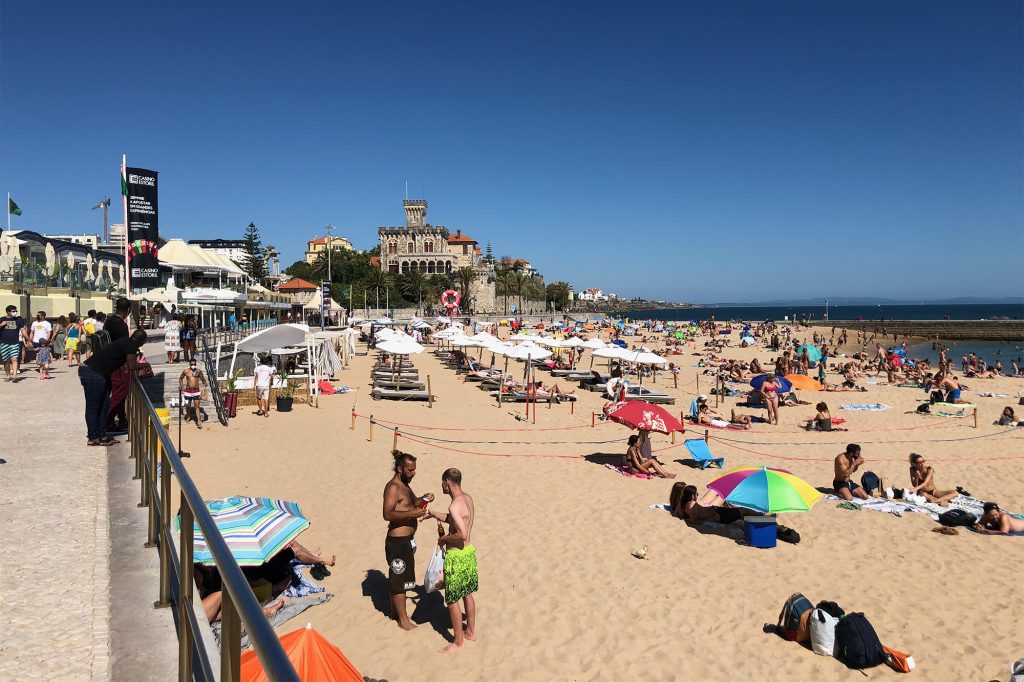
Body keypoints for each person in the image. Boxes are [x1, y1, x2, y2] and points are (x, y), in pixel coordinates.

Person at [427, 468, 478, 653]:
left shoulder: (454, 505)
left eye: (442, 483)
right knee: (467, 593)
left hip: (456, 556)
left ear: (447, 482)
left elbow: (461, 533)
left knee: (452, 599)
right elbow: (456, 521)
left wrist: (444, 539)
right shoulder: (467, 499)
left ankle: (457, 642)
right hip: (468, 552)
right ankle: (470, 631)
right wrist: (434, 514)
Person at [382, 450, 431, 630]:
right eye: (410, 470)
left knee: (400, 577)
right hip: (397, 542)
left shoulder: (405, 485)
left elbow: (411, 503)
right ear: (400, 468)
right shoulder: (393, 487)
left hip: (406, 540)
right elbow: (387, 514)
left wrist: (424, 499)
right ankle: (403, 621)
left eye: (414, 470)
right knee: (399, 580)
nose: (413, 473)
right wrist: (413, 514)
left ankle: (395, 613)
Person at [79, 329, 147, 446]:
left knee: (104, 404)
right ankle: (93, 437)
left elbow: (122, 360)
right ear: (142, 341)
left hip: (94, 372)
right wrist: (146, 365)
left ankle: (102, 436)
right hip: (93, 373)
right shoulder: (132, 344)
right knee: (94, 406)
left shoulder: (126, 341)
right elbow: (132, 366)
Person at [105, 298, 132, 433]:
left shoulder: (108, 321)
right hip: (118, 365)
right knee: (120, 393)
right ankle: (108, 421)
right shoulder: (121, 326)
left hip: (108, 361)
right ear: (128, 310)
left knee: (117, 393)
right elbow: (125, 347)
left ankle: (122, 419)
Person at [671, 483, 752, 523]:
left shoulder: (681, 504)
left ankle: (733, 506)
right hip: (712, 511)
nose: (697, 494)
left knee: (715, 490)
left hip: (709, 509)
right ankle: (734, 506)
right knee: (724, 495)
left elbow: (680, 516)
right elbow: (694, 521)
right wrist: (710, 519)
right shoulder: (691, 504)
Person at [0, 304, 26, 382]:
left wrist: (28, 340)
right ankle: (8, 375)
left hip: (15, 343)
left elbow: (23, 330)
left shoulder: (18, 320)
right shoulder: (2, 319)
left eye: (16, 311)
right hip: (4, 343)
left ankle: (14, 376)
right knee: (6, 361)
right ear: (8, 312)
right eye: (13, 311)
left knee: (14, 359)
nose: (15, 312)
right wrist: (1, 325)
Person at [179, 359, 207, 429]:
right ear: (189, 364)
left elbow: (203, 379)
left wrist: (204, 383)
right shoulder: (186, 371)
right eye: (192, 364)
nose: (193, 365)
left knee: (197, 406)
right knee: (188, 405)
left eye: (194, 364)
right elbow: (180, 378)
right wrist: (182, 387)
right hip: (188, 390)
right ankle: (188, 415)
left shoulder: (199, 371)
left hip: (196, 391)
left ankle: (199, 421)